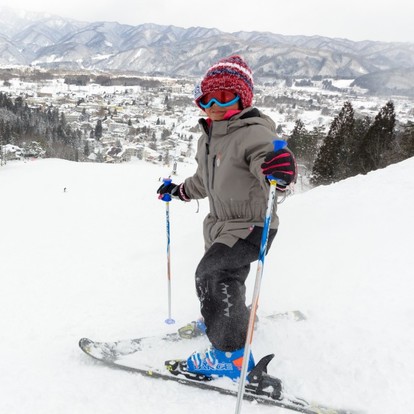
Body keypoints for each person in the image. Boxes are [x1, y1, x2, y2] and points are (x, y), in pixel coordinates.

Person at [157, 55, 296, 380]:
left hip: (252, 226)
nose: (216, 105)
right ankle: (233, 320)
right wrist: (178, 191)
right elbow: (204, 182)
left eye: (226, 97)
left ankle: (230, 355)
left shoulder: (253, 133)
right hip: (222, 226)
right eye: (208, 98)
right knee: (226, 279)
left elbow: (270, 163)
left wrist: (281, 171)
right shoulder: (209, 138)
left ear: (243, 99)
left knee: (213, 275)